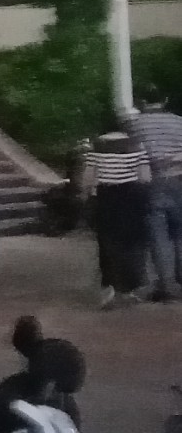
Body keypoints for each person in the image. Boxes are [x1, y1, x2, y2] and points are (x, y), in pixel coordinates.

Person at [81, 131, 152, 309]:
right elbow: (145, 177)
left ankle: (109, 286)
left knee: (107, 242)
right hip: (131, 197)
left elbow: (88, 179)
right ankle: (129, 288)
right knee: (131, 242)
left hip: (106, 197)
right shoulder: (136, 145)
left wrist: (87, 194)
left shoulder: (98, 147)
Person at [124, 86, 182, 302]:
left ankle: (167, 286)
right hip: (179, 179)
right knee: (179, 232)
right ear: (165, 99)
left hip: (151, 181)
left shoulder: (134, 124)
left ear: (142, 101)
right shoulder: (179, 121)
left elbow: (132, 155)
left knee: (158, 235)